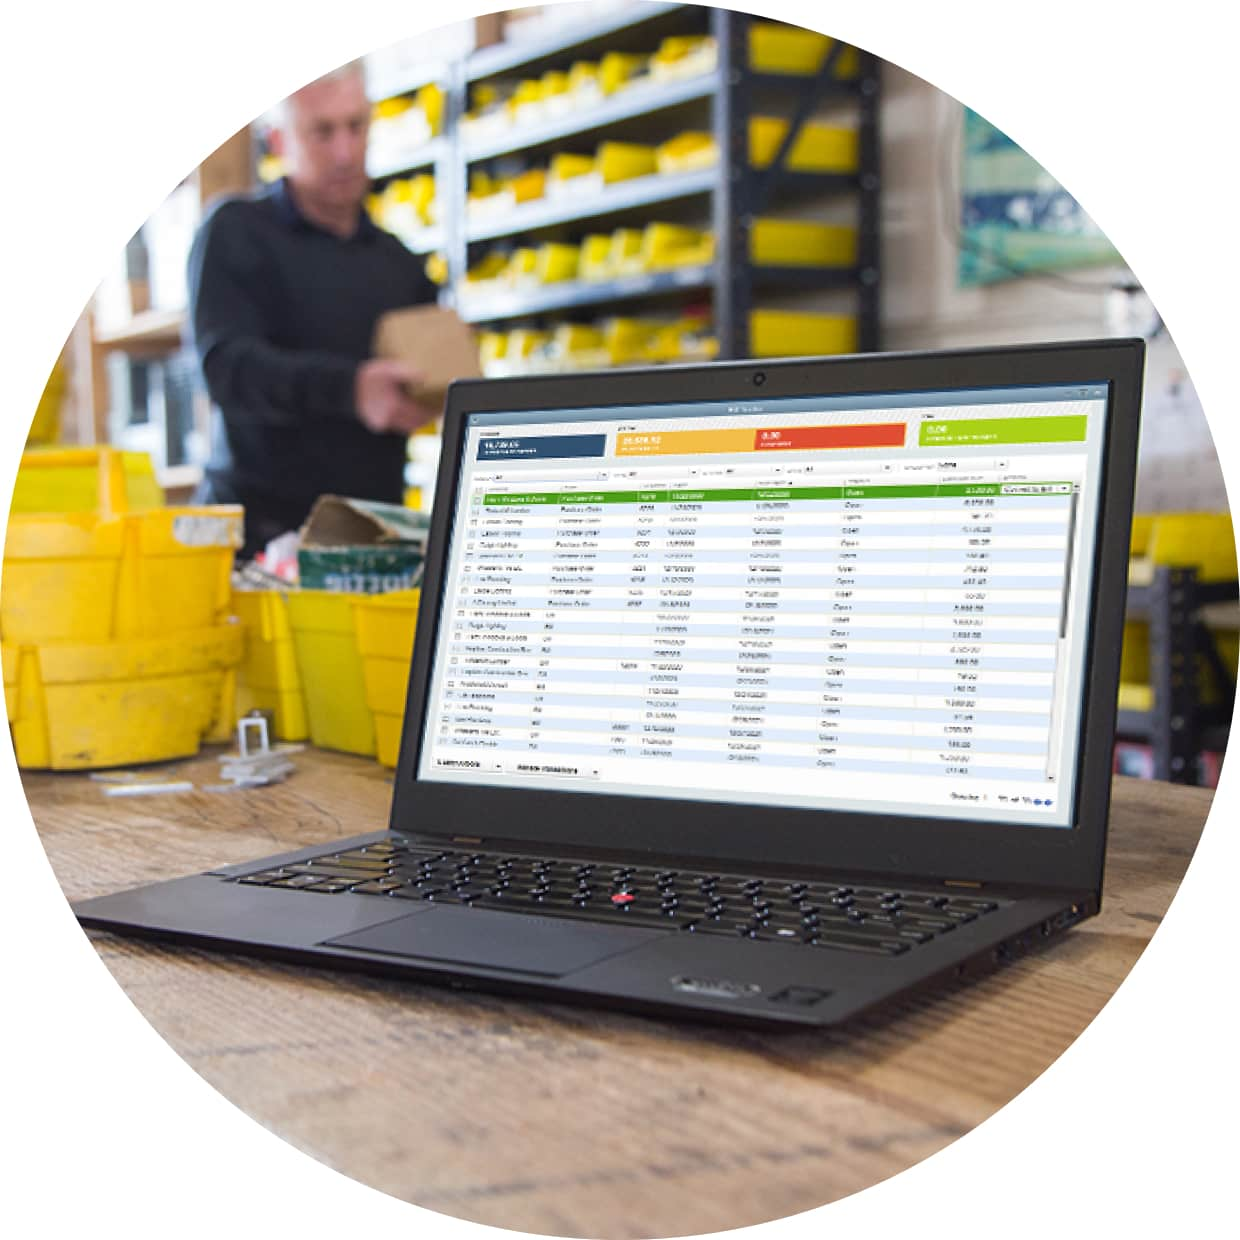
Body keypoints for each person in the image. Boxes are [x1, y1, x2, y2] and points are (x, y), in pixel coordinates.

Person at [188, 61, 439, 559]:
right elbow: (225, 369)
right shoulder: (236, 232)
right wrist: (351, 389)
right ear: (280, 141)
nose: (345, 151)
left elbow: (429, 383)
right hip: (257, 542)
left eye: (356, 126)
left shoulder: (400, 263)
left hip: (370, 545)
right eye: (322, 132)